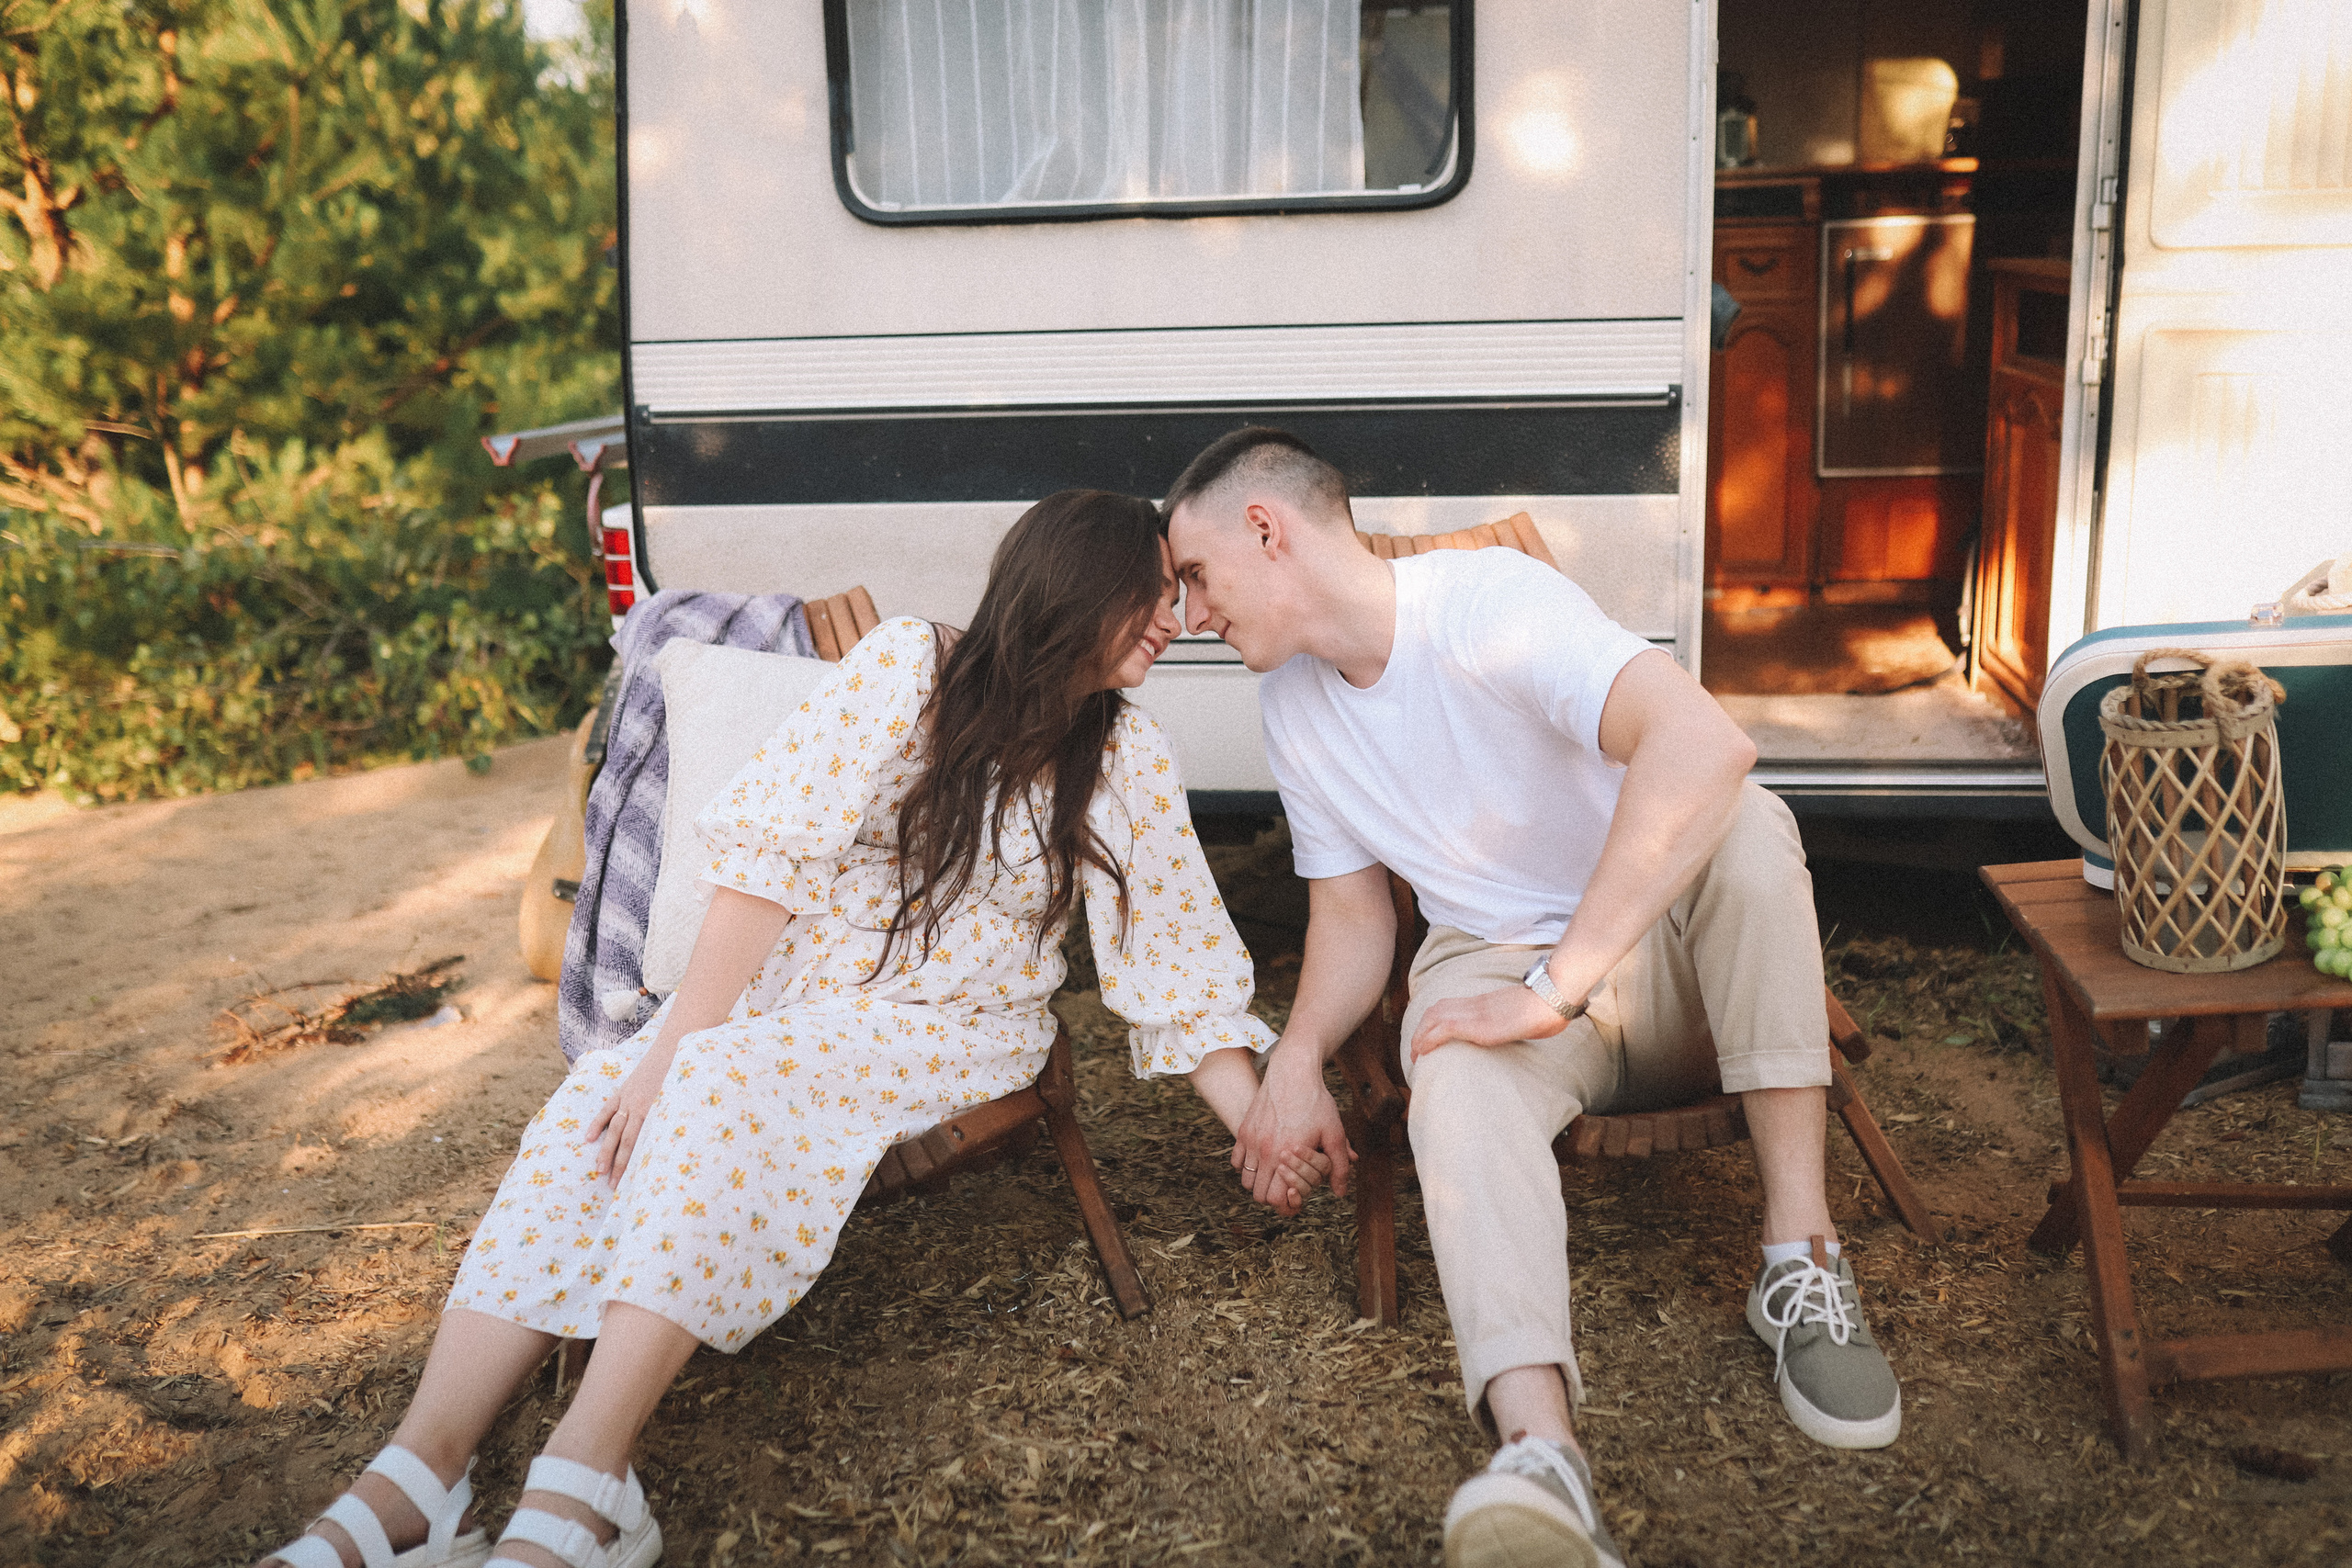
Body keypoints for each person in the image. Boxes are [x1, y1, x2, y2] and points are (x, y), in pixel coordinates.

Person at [261, 491, 1321, 1568]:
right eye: (1156, 591)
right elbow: (770, 862)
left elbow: (1177, 966)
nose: (1176, 617)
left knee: (718, 1083)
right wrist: (664, 1045)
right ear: (1080, 579)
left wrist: (1259, 1123)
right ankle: (416, 1476)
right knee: (602, 1096)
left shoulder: (1126, 754)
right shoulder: (915, 667)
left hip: (953, 1024)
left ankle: (585, 1482)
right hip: (802, 987)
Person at [1161, 430, 1902, 1568]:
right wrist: (1299, 1056)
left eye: (1194, 574)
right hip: (1493, 964)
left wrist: (1559, 985)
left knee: (1747, 824)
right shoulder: (1295, 710)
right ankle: (1540, 1458)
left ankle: (1799, 1259)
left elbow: (1706, 741)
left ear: (1268, 530)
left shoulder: (1487, 606)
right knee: (1446, 1070)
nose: (1190, 612)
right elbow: (1354, 918)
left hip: (1662, 957)